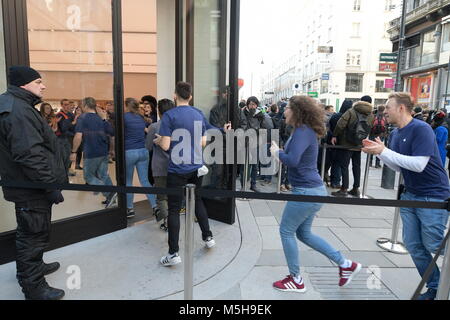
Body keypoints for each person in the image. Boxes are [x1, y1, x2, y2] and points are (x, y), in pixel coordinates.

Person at [362, 92, 450, 300]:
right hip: (411, 194)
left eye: (388, 107)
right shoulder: (394, 133)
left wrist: (384, 151)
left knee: (434, 244)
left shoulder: (422, 129)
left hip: (433, 195)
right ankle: (436, 288)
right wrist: (380, 153)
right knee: (413, 245)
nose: (384, 111)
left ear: (401, 108)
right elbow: (399, 166)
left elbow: (419, 165)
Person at [270, 96, 362, 293]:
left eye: (287, 109)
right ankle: (345, 264)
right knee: (304, 233)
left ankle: (296, 279)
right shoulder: (303, 130)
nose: (284, 111)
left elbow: (292, 160)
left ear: (296, 111)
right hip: (311, 190)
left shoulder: (302, 131)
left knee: (286, 231)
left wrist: (277, 152)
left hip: (306, 190)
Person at [0, 66, 67, 300]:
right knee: (32, 236)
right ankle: (34, 288)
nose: (43, 86)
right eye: (38, 82)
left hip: (28, 187)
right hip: (32, 190)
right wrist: (50, 187)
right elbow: (30, 156)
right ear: (24, 84)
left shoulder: (19, 106)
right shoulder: (18, 110)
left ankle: (35, 268)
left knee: (33, 232)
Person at [154, 82, 216, 266]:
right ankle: (208, 237)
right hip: (195, 167)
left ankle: (173, 254)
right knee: (197, 201)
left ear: (175, 95)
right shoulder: (197, 113)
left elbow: (165, 145)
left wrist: (159, 141)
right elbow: (203, 142)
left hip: (176, 169)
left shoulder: (169, 115)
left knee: (174, 210)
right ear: (190, 96)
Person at [70, 97, 116, 208]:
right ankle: (111, 196)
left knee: (88, 177)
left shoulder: (82, 118)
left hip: (91, 152)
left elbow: (78, 136)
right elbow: (111, 133)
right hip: (103, 151)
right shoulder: (100, 118)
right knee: (103, 175)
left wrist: (74, 151)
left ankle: (110, 193)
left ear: (85, 106)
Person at [122, 98, 158, 218]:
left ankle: (130, 209)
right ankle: (155, 206)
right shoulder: (141, 118)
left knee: (128, 181)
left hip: (129, 152)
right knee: (145, 181)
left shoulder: (124, 117)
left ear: (127, 106)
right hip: (143, 152)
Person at [331, 98, 374, 198]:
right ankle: (356, 189)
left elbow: (340, 124)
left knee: (344, 166)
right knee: (357, 166)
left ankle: (344, 189)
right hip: (359, 143)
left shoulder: (351, 111)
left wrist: (335, 135)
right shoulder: (371, 115)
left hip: (347, 143)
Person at [146, 99, 176, 229]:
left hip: (159, 167)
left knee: (161, 197)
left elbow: (148, 146)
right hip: (175, 166)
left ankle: (167, 222)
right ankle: (172, 222)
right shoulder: (177, 126)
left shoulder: (154, 127)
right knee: (172, 197)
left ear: (159, 111)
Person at [328, 100, 353, 189]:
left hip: (333, 142)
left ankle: (333, 181)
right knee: (340, 163)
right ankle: (336, 181)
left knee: (334, 162)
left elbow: (329, 127)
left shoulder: (335, 116)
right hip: (344, 143)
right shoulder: (349, 117)